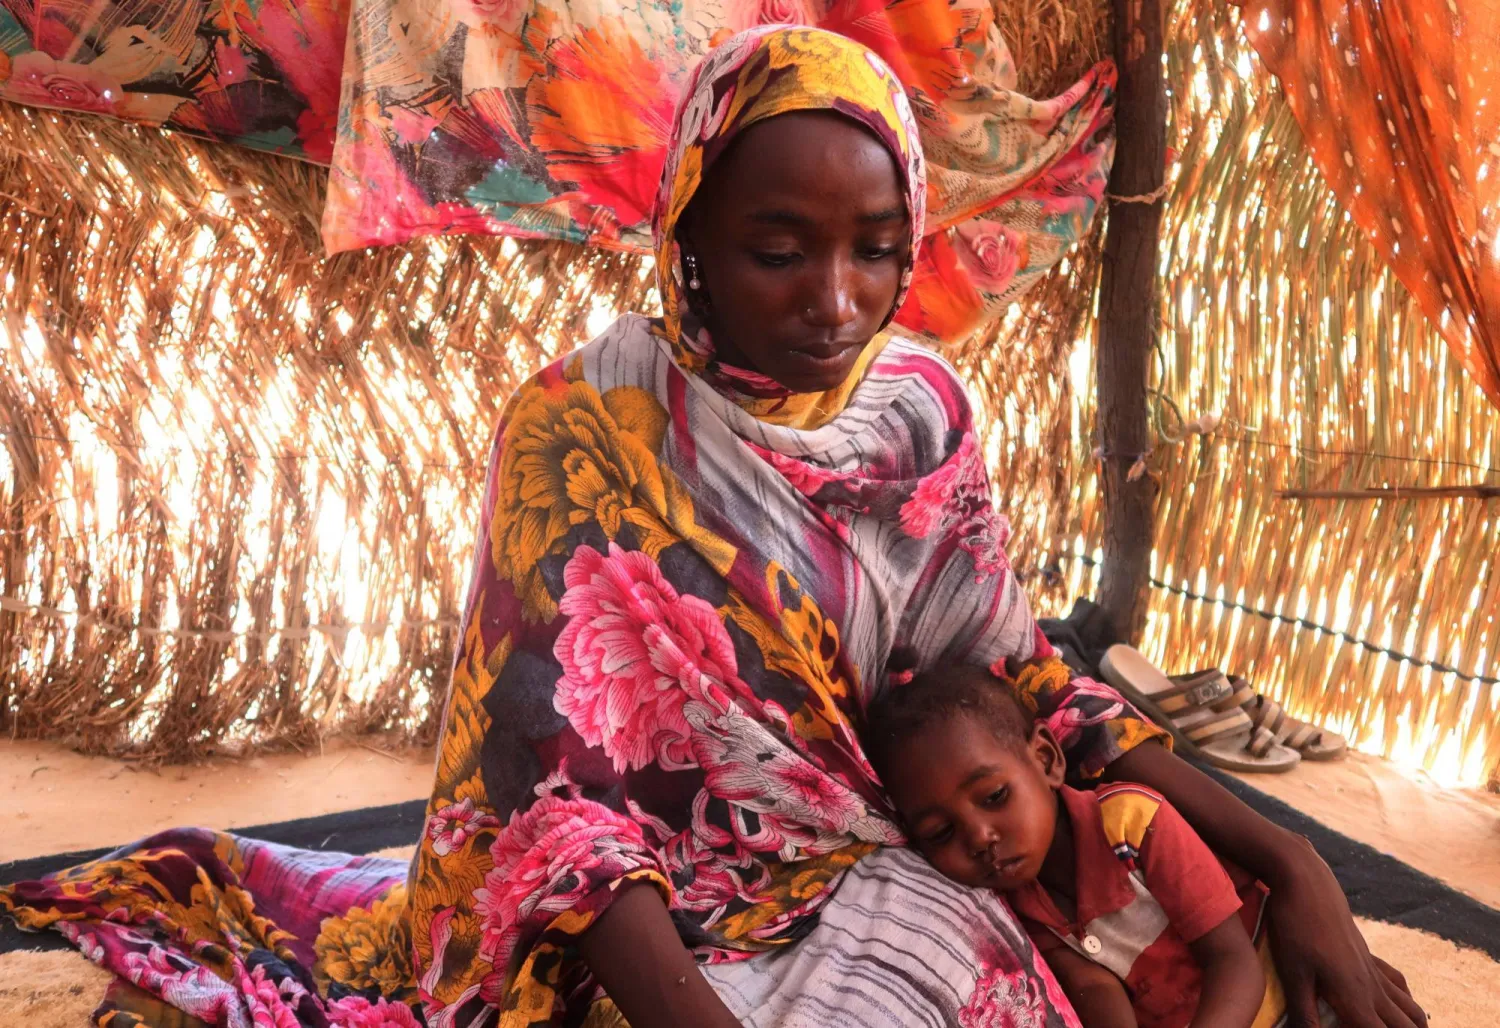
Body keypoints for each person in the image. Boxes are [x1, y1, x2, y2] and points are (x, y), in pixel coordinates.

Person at [0, 25, 1423, 1028]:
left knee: (1237, 966)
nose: (837, 301)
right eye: (777, 249)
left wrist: (1295, 868)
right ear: (687, 236)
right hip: (639, 920)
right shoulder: (584, 432)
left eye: (877, 247)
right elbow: (548, 819)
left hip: (889, 851)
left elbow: (1025, 692)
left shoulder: (920, 412)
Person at [866, 663, 1327, 1028]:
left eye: (994, 797)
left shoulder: (1133, 822)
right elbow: (1096, 988)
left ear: (1046, 759)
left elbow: (1234, 961)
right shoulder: (1016, 903)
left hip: (1287, 998)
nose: (980, 838)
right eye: (940, 833)